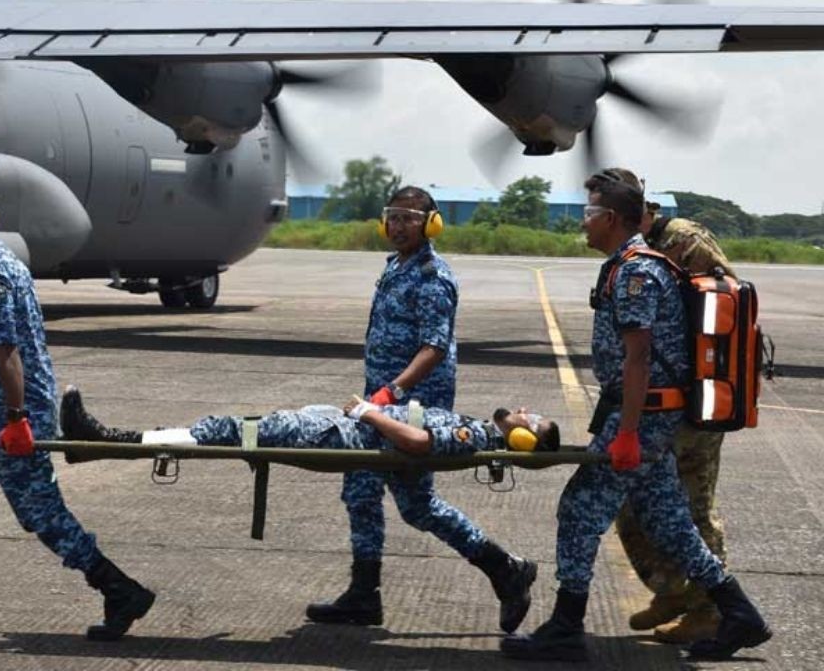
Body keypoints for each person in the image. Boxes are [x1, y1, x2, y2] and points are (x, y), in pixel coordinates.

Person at [501, 170, 771, 662]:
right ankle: (739, 612)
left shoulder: (635, 273)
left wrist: (625, 434)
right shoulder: (629, 264)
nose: (581, 223)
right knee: (670, 522)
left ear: (609, 218)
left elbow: (639, 357)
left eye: (587, 213)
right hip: (648, 417)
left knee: (579, 511)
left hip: (643, 419)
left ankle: (565, 625)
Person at [61, 386, 551, 634]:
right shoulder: (483, 432)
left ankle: (110, 441)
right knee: (420, 510)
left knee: (239, 429)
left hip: (350, 433)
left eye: (534, 418)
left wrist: (368, 413)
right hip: (354, 428)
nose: (526, 409)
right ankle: (504, 570)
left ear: (525, 438)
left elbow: (419, 442)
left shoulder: (476, 435)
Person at [0, 182, 155, 641]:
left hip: (6, 419)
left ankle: (120, 590)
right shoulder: (3, 260)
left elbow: (6, 353)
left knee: (41, 513)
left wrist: (16, 418)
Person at [312, 185, 462, 627]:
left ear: (431, 223)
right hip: (379, 404)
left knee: (418, 506)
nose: (398, 226)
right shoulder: (396, 267)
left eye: (409, 218)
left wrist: (390, 392)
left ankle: (504, 568)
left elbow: (434, 347)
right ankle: (363, 594)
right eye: (392, 216)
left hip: (411, 407)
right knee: (360, 490)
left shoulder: (432, 276)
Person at [616, 201, 736, 643]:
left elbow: (726, 309)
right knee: (631, 505)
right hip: (662, 403)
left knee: (693, 508)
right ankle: (671, 591)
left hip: (698, 400)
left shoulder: (684, 240)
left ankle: (711, 610)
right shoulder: (639, 248)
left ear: (641, 208)